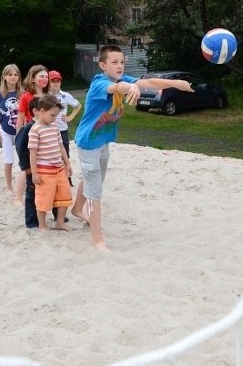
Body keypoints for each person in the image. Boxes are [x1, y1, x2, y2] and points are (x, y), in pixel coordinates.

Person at [71, 45, 193, 251]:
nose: (119, 66)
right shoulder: (100, 83)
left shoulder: (122, 79)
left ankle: (76, 209)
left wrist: (177, 83)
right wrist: (130, 88)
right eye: (114, 62)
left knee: (93, 180)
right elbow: (116, 89)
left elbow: (149, 82)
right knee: (95, 191)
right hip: (88, 143)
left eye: (122, 62)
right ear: (102, 65)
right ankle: (97, 240)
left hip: (101, 141)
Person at [28, 94, 73, 231]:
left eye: (56, 116)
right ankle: (42, 225)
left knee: (65, 194)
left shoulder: (55, 127)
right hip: (44, 171)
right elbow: (33, 153)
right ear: (41, 111)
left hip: (59, 168)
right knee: (44, 198)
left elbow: (61, 146)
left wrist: (67, 164)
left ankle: (60, 222)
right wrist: (34, 173)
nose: (54, 119)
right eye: (52, 115)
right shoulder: (35, 130)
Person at [0, 64, 24, 201]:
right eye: (10, 74)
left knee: (23, 159)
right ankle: (9, 186)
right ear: (4, 77)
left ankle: (24, 185)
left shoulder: (22, 93)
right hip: (5, 129)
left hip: (19, 130)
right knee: (9, 159)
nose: (13, 77)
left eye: (15, 74)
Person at [15, 97, 41, 228]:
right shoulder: (28, 128)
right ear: (36, 111)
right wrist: (25, 166)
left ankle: (56, 215)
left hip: (45, 165)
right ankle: (31, 221)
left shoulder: (47, 126)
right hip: (31, 166)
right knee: (31, 193)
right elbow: (20, 146)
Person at [47, 70, 82, 159]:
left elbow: (78, 106)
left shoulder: (65, 95)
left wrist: (70, 117)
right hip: (48, 129)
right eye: (53, 81)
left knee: (65, 153)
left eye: (57, 81)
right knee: (50, 153)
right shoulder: (45, 95)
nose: (55, 83)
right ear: (48, 82)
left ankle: (65, 170)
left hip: (62, 129)